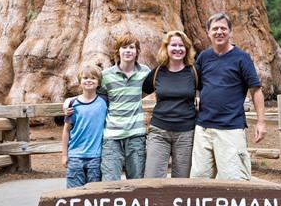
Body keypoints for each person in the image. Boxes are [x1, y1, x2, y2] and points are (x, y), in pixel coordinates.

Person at [190, 12, 266, 180]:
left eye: (223, 28)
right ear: (208, 33)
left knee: (233, 180)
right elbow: (196, 83)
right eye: (215, 29)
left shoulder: (242, 58)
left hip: (230, 128)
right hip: (203, 128)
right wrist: (197, 96)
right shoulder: (204, 57)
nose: (219, 32)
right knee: (199, 180)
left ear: (230, 32)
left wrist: (261, 122)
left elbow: (256, 90)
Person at [142, 30, 199, 178]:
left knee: (182, 181)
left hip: (186, 133)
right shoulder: (157, 72)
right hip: (159, 132)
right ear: (166, 48)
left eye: (181, 45)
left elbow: (207, 91)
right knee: (152, 178)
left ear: (187, 49)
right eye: (173, 45)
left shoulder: (194, 71)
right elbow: (141, 91)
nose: (178, 49)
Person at [99, 32, 151, 180]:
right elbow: (93, 96)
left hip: (136, 135)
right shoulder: (106, 76)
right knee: (110, 180)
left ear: (137, 51)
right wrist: (71, 101)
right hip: (112, 136)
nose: (128, 50)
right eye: (124, 47)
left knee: (137, 181)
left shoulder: (145, 72)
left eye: (131, 47)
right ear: (118, 51)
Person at [61, 65, 107, 188]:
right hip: (75, 156)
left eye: (93, 78)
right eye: (85, 78)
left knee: (94, 192)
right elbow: (66, 130)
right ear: (80, 81)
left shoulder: (104, 101)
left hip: (96, 157)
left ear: (99, 82)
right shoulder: (72, 104)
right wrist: (64, 155)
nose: (89, 80)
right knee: (74, 192)